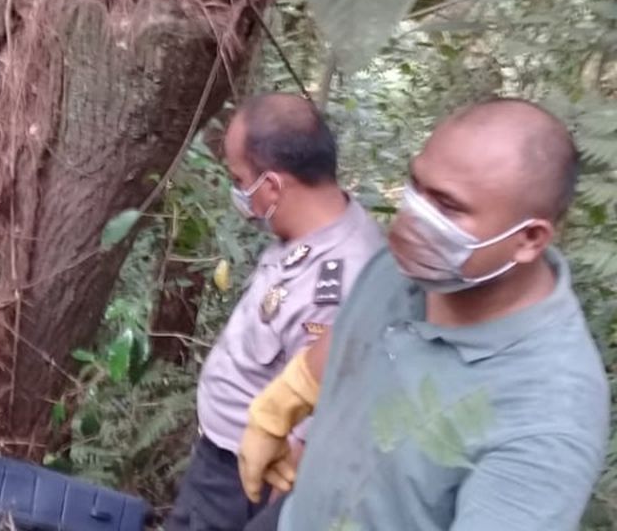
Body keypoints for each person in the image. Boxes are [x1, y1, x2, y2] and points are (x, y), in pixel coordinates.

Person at [240, 99, 610, 531]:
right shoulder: (408, 267)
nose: (413, 218)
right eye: (416, 186)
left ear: (529, 238)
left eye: (447, 206)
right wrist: (286, 399)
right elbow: (358, 330)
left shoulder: (549, 417)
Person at [165, 94, 385, 531]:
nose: (238, 192)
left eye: (238, 178)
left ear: (272, 186)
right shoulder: (301, 235)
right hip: (221, 456)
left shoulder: (340, 281)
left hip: (246, 483)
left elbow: (317, 429)